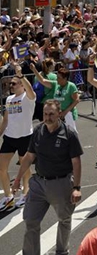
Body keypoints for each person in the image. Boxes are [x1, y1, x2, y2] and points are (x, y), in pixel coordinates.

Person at [11, 100, 83, 255]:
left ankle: (61, 251)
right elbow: (29, 157)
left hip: (61, 183)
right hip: (38, 184)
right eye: (45, 113)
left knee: (64, 220)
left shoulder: (69, 134)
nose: (48, 117)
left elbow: (76, 162)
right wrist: (17, 180)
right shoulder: (38, 131)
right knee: (31, 220)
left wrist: (76, 187)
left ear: (59, 113)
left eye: (51, 114)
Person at [0, 64, 37, 211]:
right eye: (10, 84)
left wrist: (21, 74)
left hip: (25, 137)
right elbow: (6, 120)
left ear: (22, 84)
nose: (11, 86)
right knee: (1, 168)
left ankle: (25, 193)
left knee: (25, 168)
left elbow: (32, 91)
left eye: (14, 84)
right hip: (10, 137)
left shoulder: (28, 97)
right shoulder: (9, 99)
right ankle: (8, 197)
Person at [31, 64, 81, 132]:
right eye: (57, 77)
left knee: (70, 133)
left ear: (65, 78)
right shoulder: (55, 84)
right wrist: (34, 70)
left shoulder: (71, 86)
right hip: (57, 114)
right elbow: (43, 81)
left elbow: (76, 100)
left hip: (68, 114)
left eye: (59, 78)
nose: (57, 79)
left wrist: (65, 112)